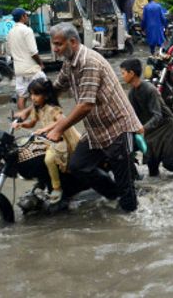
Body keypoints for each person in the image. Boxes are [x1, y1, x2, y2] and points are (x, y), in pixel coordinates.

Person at [43, 23, 143, 212]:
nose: (55, 49)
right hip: (96, 128)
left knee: (126, 189)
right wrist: (34, 102)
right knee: (78, 165)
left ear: (72, 42)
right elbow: (56, 88)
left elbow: (85, 105)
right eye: (53, 44)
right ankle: (113, 194)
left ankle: (131, 220)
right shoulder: (69, 62)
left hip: (117, 127)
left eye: (58, 44)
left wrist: (58, 128)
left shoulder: (89, 62)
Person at [120, 59, 173, 177]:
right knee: (152, 167)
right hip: (151, 129)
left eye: (123, 73)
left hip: (166, 126)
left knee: (169, 164)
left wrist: (142, 129)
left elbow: (157, 115)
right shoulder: (132, 93)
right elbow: (132, 115)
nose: (122, 76)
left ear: (131, 73)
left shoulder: (149, 90)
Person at [14, 79, 81, 203]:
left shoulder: (52, 108)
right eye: (31, 94)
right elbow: (32, 123)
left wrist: (44, 128)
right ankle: (43, 181)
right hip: (47, 138)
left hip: (60, 138)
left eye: (36, 94)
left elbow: (61, 121)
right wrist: (22, 125)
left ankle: (57, 187)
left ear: (46, 95)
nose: (33, 98)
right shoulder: (37, 108)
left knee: (49, 159)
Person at [6, 7, 46, 110]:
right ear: (23, 16)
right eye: (26, 15)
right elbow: (33, 52)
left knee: (21, 97)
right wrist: (41, 64)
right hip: (31, 69)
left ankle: (21, 120)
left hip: (19, 70)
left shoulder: (10, 33)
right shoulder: (27, 30)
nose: (27, 17)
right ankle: (42, 116)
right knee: (46, 90)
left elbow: (9, 52)